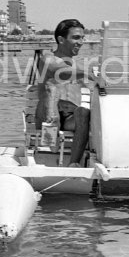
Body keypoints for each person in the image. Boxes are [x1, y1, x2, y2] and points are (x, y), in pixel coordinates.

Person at [35, 19, 97, 167]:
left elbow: (95, 88)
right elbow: (60, 72)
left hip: (69, 119)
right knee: (52, 86)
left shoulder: (79, 68)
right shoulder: (47, 58)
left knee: (83, 112)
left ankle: (73, 164)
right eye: (76, 37)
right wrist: (87, 73)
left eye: (82, 38)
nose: (81, 42)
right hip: (47, 116)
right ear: (61, 39)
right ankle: (49, 140)